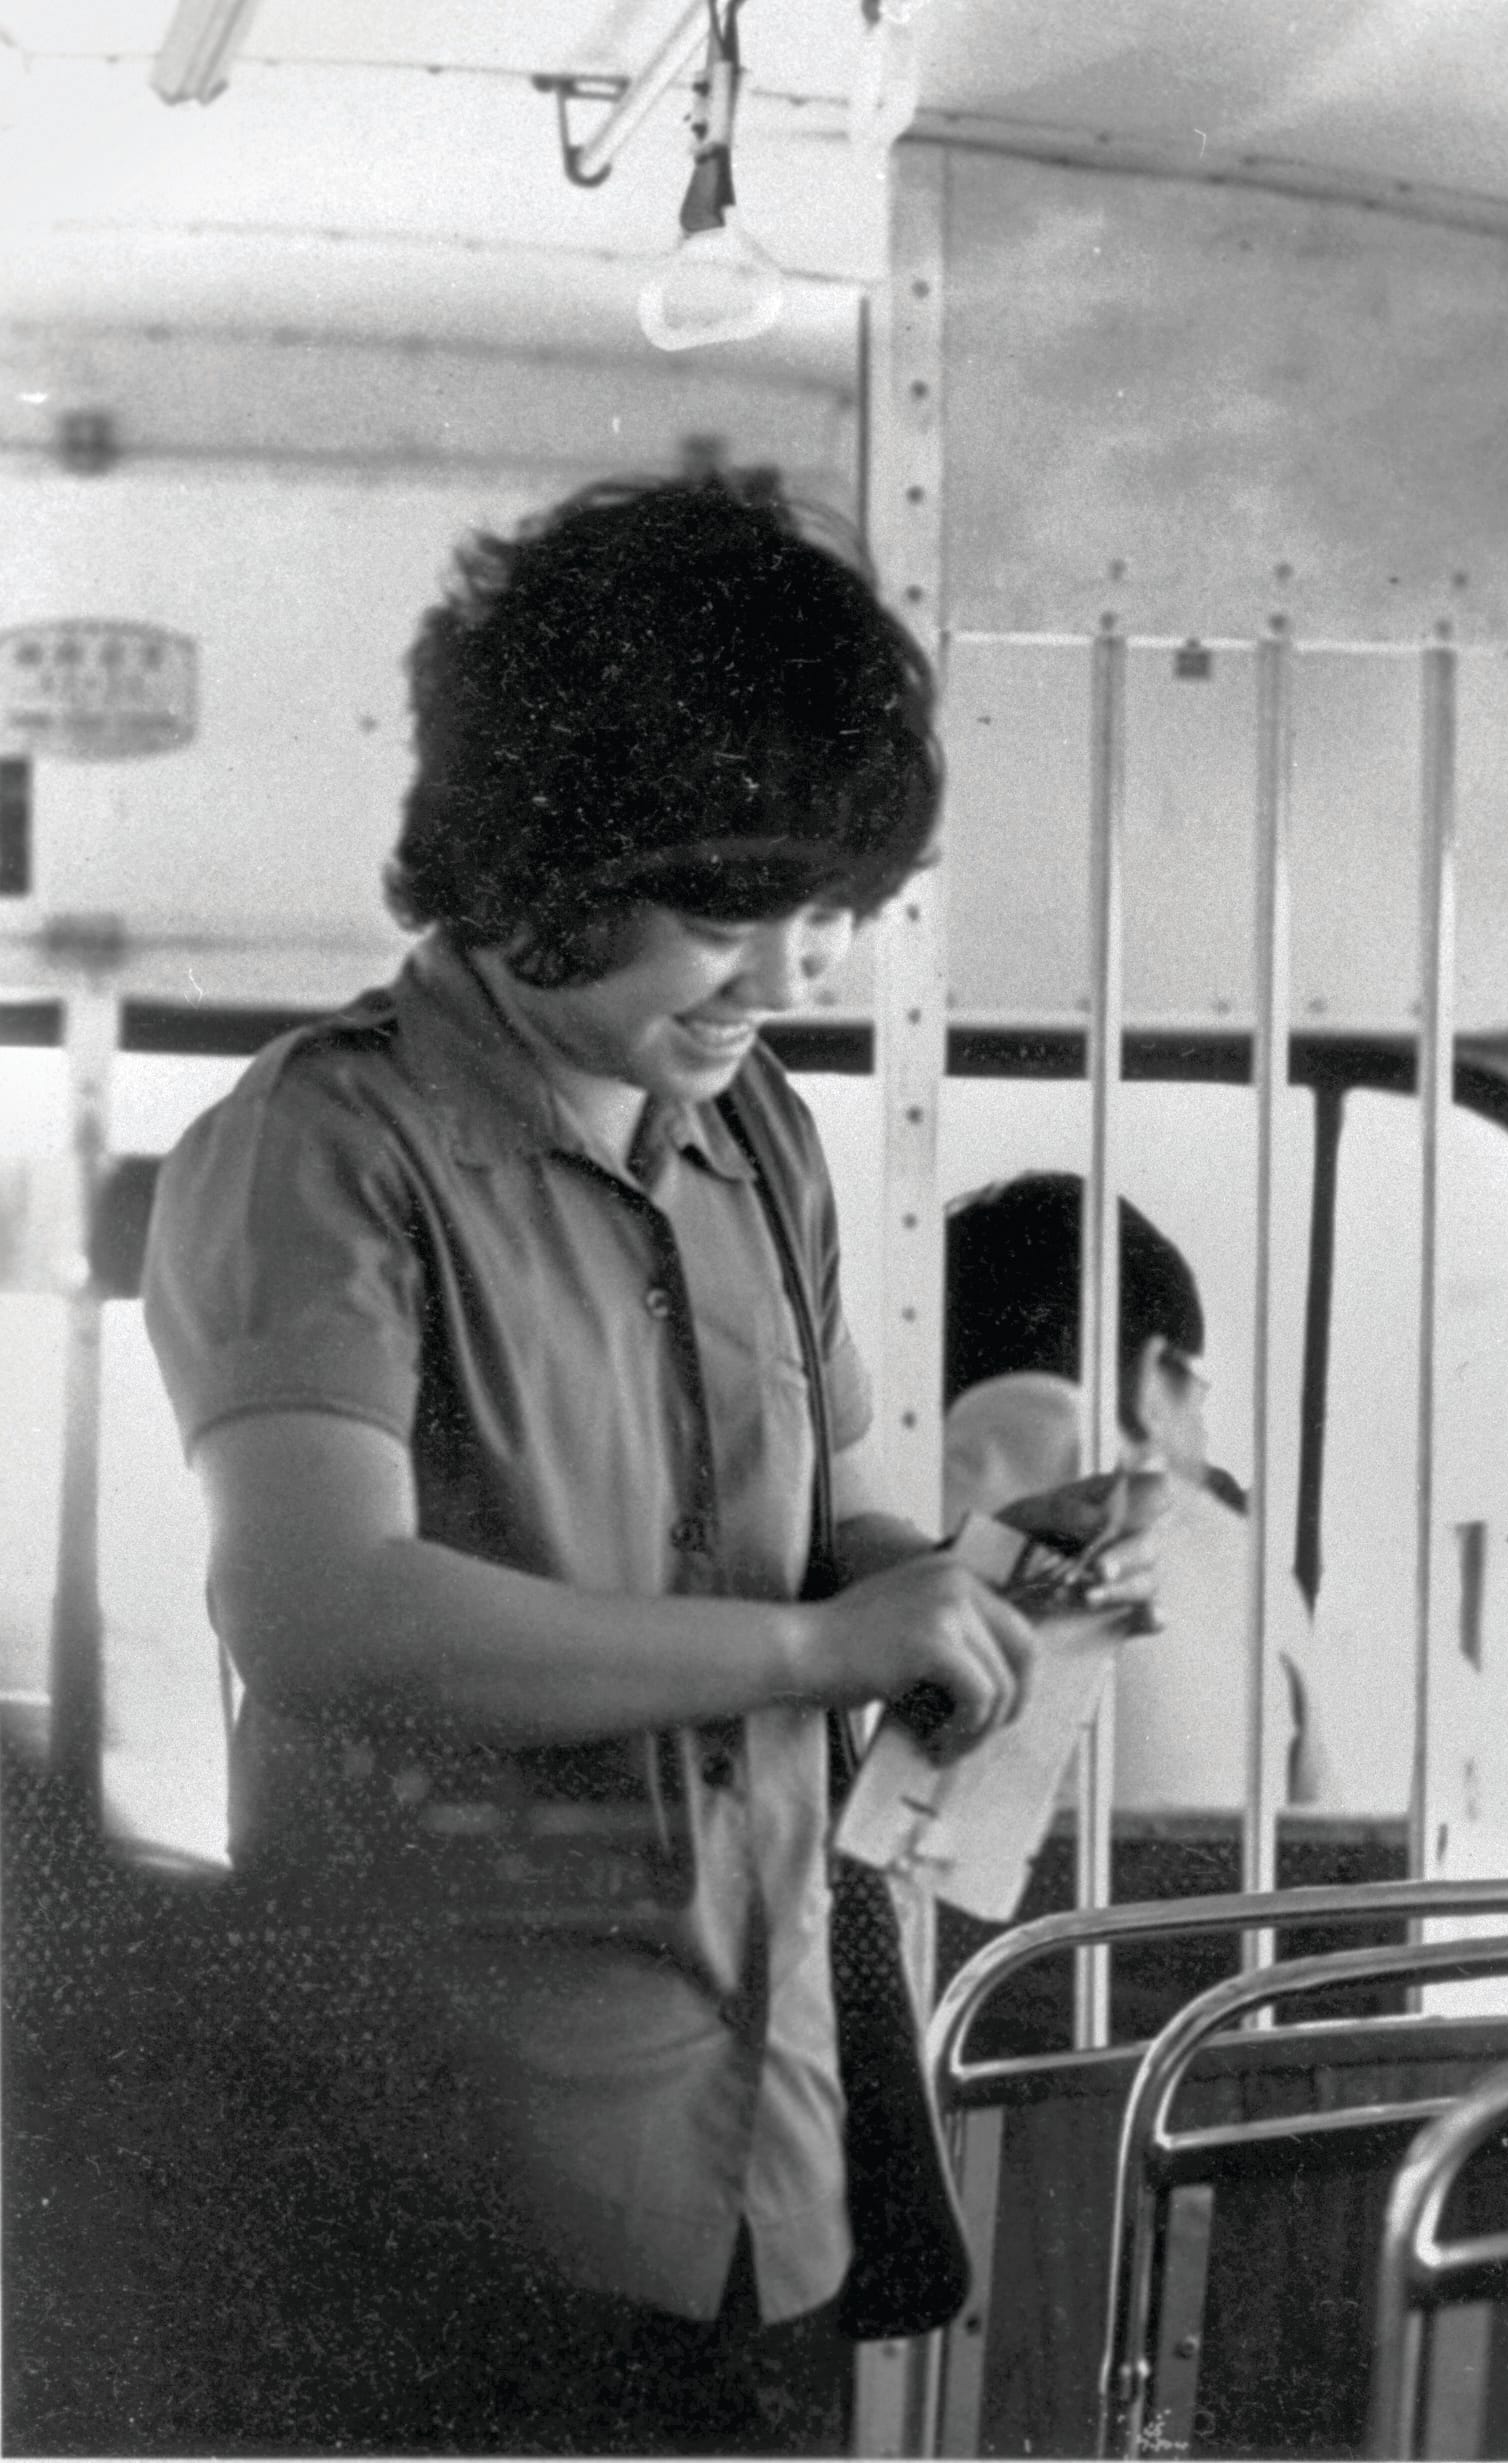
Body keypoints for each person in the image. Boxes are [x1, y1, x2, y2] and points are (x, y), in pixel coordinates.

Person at [142, 471, 1158, 2457]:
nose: (787, 980)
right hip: (454, 2168)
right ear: (543, 858)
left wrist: (949, 1584)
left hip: (762, 2146)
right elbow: (322, 1608)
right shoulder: (323, 1147)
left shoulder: (755, 1133)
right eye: (720, 918)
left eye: (825, 918)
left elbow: (818, 1528)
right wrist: (816, 1651)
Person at [944, 1175, 1313, 1813]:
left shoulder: (853, 1556)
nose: (1201, 1429)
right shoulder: (1238, 1559)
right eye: (1196, 1391)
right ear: (1151, 1376)